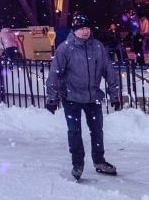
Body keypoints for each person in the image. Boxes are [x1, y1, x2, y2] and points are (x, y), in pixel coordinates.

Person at [45, 14, 121, 180]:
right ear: (74, 30)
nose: (85, 31)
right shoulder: (65, 48)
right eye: (81, 28)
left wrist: (114, 95)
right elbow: (54, 74)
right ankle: (77, 164)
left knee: (97, 131)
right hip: (71, 97)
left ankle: (99, 161)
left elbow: (109, 71)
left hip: (93, 97)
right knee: (74, 131)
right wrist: (52, 98)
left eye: (87, 28)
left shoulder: (98, 47)